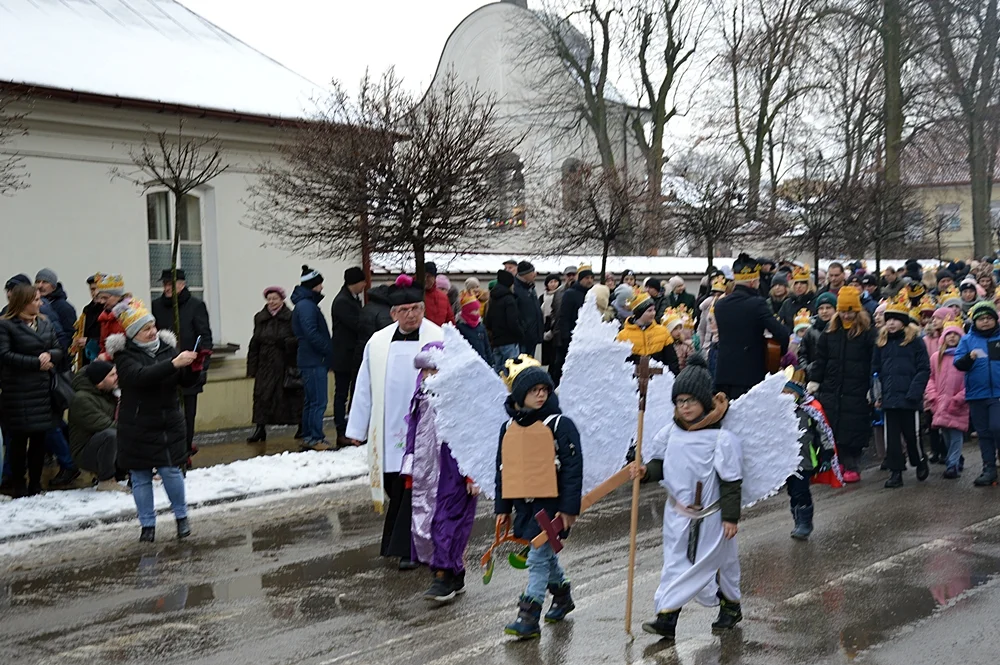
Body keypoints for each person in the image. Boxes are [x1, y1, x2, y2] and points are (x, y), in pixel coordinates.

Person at [634, 356, 744, 640]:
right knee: (675, 566)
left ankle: (730, 607)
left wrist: (731, 517)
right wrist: (645, 472)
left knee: (718, 565)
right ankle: (667, 619)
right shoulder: (670, 433)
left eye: (691, 400)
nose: (684, 406)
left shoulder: (720, 439)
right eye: (680, 401)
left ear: (704, 402)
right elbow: (661, 465)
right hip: (678, 516)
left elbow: (731, 481)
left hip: (711, 518)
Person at [346, 284, 444, 569]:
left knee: (413, 487)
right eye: (404, 310)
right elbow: (364, 386)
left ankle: (408, 549)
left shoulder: (438, 337)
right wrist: (356, 429)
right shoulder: (377, 342)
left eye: (416, 309)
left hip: (425, 426)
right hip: (387, 426)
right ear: (392, 313)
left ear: (423, 310)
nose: (411, 315)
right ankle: (396, 541)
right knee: (395, 486)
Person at [496, 359, 582, 640]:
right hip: (524, 505)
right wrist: (503, 507)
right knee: (543, 554)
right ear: (520, 395)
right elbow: (503, 468)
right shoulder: (508, 428)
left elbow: (572, 469)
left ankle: (528, 615)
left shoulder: (560, 424)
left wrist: (569, 509)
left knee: (537, 556)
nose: (541, 394)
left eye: (544, 389)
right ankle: (562, 595)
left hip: (552, 505)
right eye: (534, 390)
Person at [106, 298, 199, 542]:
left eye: (153, 326)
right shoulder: (124, 355)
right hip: (136, 424)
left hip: (168, 421)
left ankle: (182, 518)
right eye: (146, 328)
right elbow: (139, 377)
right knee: (140, 476)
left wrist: (194, 367)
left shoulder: (169, 349)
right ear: (134, 333)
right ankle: (147, 525)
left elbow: (185, 382)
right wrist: (173, 364)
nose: (153, 331)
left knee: (171, 471)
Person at [404, 343, 479, 603]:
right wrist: (410, 467)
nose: (429, 375)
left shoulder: (460, 401)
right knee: (428, 522)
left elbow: (472, 437)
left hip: (453, 470)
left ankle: (442, 576)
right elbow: (413, 432)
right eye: (425, 370)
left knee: (448, 521)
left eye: (434, 369)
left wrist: (471, 473)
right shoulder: (421, 398)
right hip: (428, 472)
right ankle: (454, 572)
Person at [0, 284, 65, 497]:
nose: (40, 303)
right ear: (22, 302)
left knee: (39, 438)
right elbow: (5, 355)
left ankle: (36, 484)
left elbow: (58, 348)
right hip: (18, 391)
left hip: (42, 389)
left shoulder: (44, 323)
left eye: (39, 299)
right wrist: (35, 362)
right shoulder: (6, 325)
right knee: (18, 441)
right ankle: (19, 483)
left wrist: (51, 356)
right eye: (35, 300)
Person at [808, 286, 875, 483]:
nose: (846, 315)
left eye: (850, 311)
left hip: (857, 387)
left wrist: (872, 386)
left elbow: (872, 361)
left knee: (853, 425)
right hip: (833, 387)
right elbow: (821, 360)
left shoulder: (867, 334)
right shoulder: (830, 333)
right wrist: (815, 380)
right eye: (843, 311)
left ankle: (852, 463)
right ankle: (839, 463)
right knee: (834, 425)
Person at [151, 269, 213, 465]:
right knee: (165, 412)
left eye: (171, 283)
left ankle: (184, 452)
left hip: (189, 368)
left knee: (187, 413)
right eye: (165, 284)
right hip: (165, 367)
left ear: (182, 284)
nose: (167, 287)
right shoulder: (156, 306)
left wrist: (202, 367)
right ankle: (168, 451)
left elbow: (205, 337)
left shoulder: (195, 306)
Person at [873, 295, 931, 488]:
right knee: (892, 438)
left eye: (895, 319)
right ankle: (896, 471)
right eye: (888, 319)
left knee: (912, 435)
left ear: (904, 322)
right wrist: (878, 394)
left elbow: (923, 369)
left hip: (909, 397)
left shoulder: (915, 342)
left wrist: (915, 392)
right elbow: (876, 370)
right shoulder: (881, 343)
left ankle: (919, 461)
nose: (890, 323)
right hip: (889, 397)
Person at [713, 254, 790, 400]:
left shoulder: (720, 305)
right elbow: (781, 334)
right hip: (750, 374)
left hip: (723, 373)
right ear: (753, 282)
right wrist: (776, 355)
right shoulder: (757, 304)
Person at [782, 371, 837, 541]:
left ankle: (805, 523)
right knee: (792, 491)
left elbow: (824, 433)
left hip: (806, 459)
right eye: (785, 393)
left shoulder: (811, 410)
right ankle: (797, 520)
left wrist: (827, 456)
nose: (788, 396)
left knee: (801, 490)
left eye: (791, 393)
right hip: (787, 461)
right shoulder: (780, 412)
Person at [246, 287, 302, 444]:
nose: (271, 302)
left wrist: (286, 343)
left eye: (275, 299)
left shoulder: (291, 317)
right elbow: (254, 343)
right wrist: (252, 367)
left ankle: (301, 426)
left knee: (292, 397)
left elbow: (299, 339)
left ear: (282, 299)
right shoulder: (260, 318)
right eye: (269, 299)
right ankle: (260, 429)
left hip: (286, 364)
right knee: (262, 397)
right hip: (265, 365)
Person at [954, 301, 1000, 486]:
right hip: (977, 394)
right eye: (981, 319)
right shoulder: (967, 340)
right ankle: (988, 468)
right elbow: (958, 364)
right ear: (975, 321)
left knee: (997, 426)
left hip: (997, 393)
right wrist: (969, 358)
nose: (986, 322)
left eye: (989, 318)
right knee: (984, 433)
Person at [291, 266, 334, 451]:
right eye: (319, 284)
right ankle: (315, 438)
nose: (322, 287)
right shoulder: (307, 306)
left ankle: (308, 436)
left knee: (311, 401)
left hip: (308, 359)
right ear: (313, 285)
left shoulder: (304, 304)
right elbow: (311, 333)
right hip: (314, 359)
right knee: (318, 401)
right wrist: (327, 349)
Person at [68, 360, 125, 491]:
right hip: (87, 453)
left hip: (107, 449)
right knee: (112, 434)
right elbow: (107, 425)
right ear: (99, 382)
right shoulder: (82, 399)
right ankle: (106, 480)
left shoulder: (108, 392)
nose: (117, 377)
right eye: (112, 375)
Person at [926, 318, 968, 479]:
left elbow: (969, 381)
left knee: (956, 434)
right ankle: (956, 458)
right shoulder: (937, 357)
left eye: (955, 335)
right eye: (949, 334)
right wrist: (932, 395)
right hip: (939, 402)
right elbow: (930, 377)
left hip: (957, 403)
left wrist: (960, 398)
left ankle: (952, 465)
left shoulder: (964, 357)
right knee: (946, 433)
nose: (952, 337)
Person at [331, 267, 367, 445]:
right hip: (344, 356)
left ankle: (352, 429)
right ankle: (341, 430)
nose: (365, 285)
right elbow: (356, 323)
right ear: (355, 282)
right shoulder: (342, 302)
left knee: (354, 392)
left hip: (352, 354)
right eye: (363, 281)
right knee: (342, 394)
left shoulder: (352, 299)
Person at [616, 292, 680, 375]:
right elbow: (621, 364)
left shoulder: (663, 332)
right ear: (639, 313)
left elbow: (672, 361)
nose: (653, 313)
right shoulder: (623, 336)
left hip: (659, 381)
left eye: (654, 309)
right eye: (649, 310)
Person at [485, 270, 522, 373]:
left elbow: (488, 320)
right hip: (509, 340)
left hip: (497, 341)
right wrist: (521, 334)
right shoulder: (509, 299)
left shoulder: (493, 298)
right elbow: (512, 321)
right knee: (511, 371)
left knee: (497, 371)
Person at [355, 282, 395, 370]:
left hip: (362, 351)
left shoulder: (367, 307)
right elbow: (389, 335)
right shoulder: (386, 312)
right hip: (378, 355)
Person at [35, 268, 76, 351]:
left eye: (45, 282)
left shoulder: (64, 307)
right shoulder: (31, 305)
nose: (40, 286)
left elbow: (69, 335)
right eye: (37, 282)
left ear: (53, 286)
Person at [798, 292, 837, 376]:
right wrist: (807, 368)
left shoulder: (840, 330)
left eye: (828, 308)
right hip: (814, 376)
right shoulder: (810, 331)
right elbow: (802, 354)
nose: (824, 311)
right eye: (821, 308)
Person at [557, 268, 593, 353]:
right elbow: (564, 315)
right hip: (573, 334)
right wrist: (566, 336)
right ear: (580, 279)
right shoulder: (570, 293)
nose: (590, 281)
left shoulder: (592, 293)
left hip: (588, 335)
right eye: (587, 278)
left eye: (591, 278)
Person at [71, 274, 104, 367]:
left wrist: (89, 341)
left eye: (98, 288)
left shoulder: (109, 309)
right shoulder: (87, 310)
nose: (96, 292)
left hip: (102, 356)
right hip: (87, 357)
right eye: (92, 289)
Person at [513, 261, 543, 357]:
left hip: (532, 336)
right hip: (523, 338)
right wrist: (522, 330)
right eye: (532, 272)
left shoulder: (531, 288)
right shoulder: (515, 289)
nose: (535, 275)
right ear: (524, 274)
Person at [94, 273, 127, 358]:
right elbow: (102, 345)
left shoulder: (128, 315)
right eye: (100, 298)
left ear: (118, 296)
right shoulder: (104, 318)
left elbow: (130, 346)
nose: (101, 302)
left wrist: (106, 357)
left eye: (105, 298)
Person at [456, 292, 491, 364]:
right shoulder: (460, 327)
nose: (477, 313)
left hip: (483, 362)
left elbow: (487, 346)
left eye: (478, 310)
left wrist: (490, 360)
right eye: (475, 310)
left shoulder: (481, 327)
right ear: (467, 311)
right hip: (469, 363)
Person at [422, 263, 455, 327]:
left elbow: (450, 320)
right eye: (424, 276)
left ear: (434, 278)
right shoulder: (415, 295)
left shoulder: (443, 297)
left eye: (429, 276)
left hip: (440, 334)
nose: (426, 279)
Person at [540, 274, 562, 367]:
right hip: (545, 327)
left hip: (557, 327)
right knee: (547, 356)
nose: (553, 284)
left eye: (555, 281)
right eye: (551, 282)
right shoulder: (542, 297)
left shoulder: (561, 295)